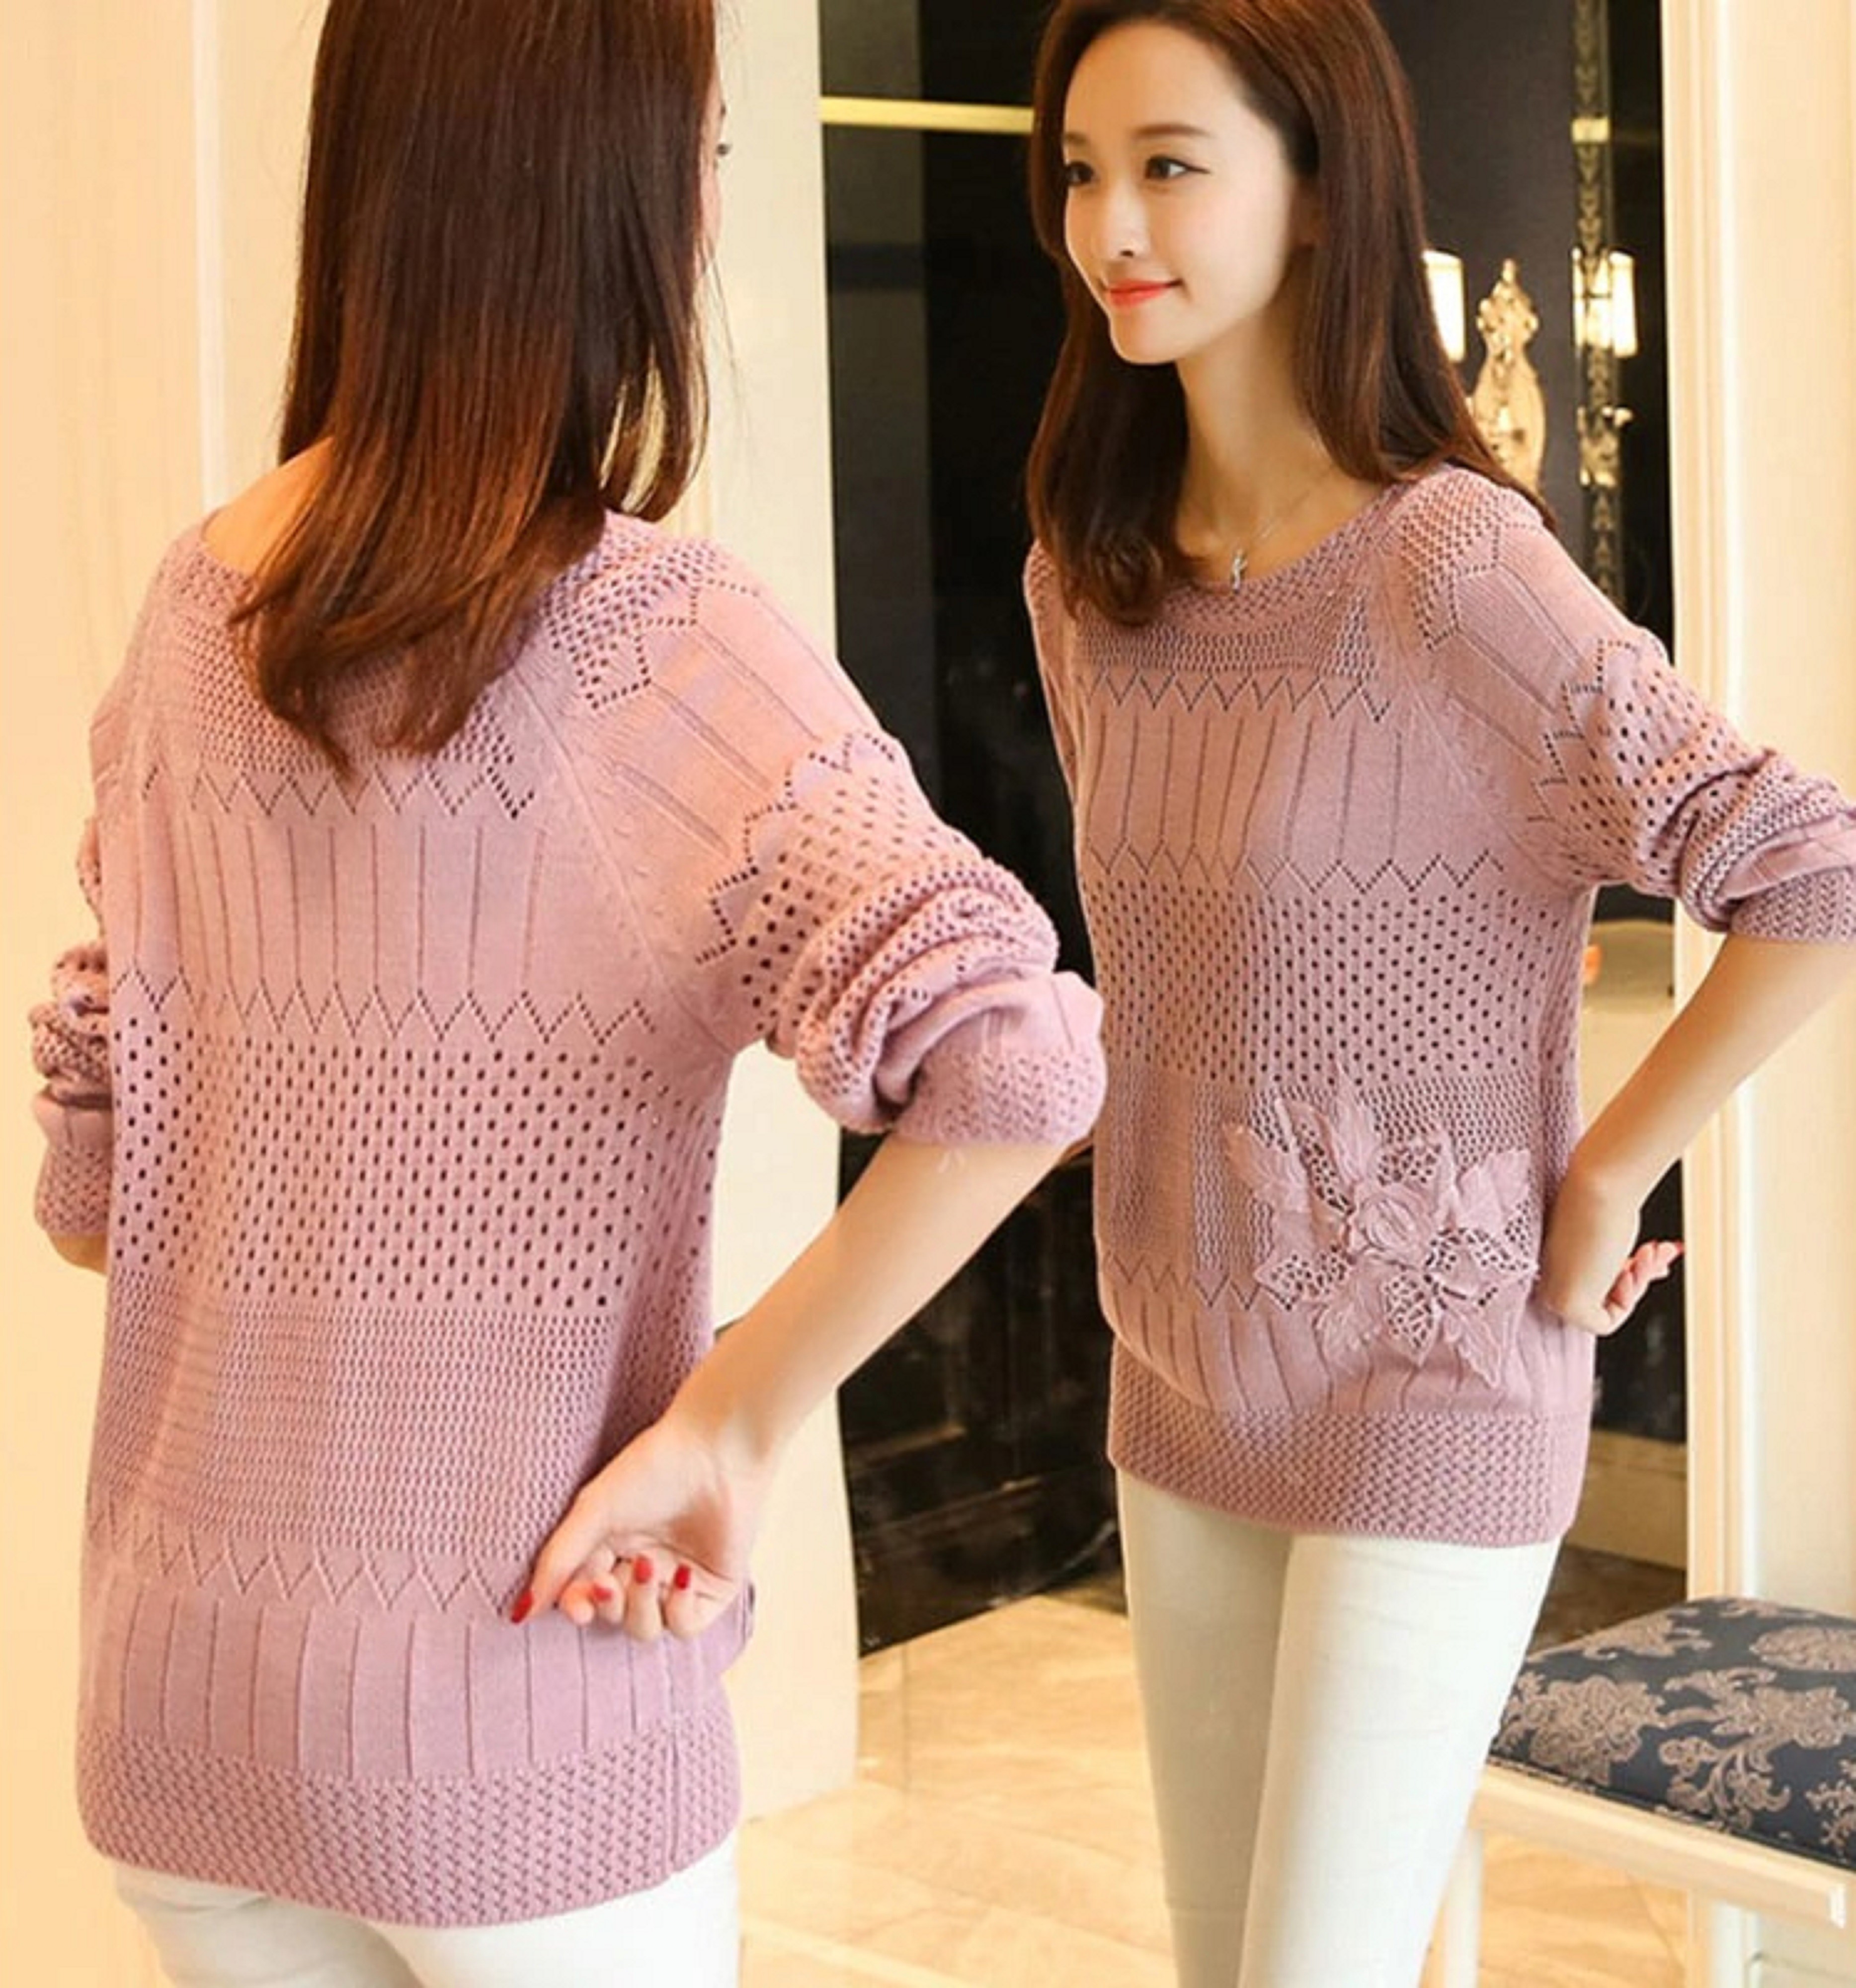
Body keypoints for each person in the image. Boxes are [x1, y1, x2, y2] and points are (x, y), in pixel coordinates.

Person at [26, 3, 1105, 1984]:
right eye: (706, 155)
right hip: (520, 1721)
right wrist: (728, 1433)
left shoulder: (190, 615)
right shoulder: (652, 639)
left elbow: (103, 1208)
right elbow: (1019, 1066)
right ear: (601, 193)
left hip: (181, 1713)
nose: (714, 205)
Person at [1017, 2, 1856, 1983]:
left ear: (1317, 196)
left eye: (1169, 166)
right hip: (1175, 1356)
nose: (1110, 224)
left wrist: (1604, 1174)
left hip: (1436, 1374)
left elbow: (1807, 868)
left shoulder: (1448, 566)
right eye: (1079, 171)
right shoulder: (1089, 580)